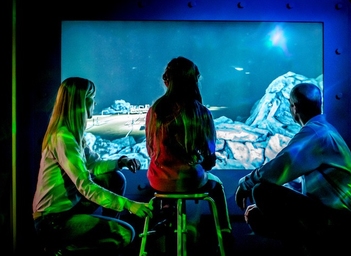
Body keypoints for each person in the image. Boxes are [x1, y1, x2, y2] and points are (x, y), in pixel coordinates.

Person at [234, 82, 351, 255]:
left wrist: (246, 183)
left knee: (262, 191)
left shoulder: (315, 134)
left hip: (336, 221)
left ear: (293, 108)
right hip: (337, 218)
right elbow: (297, 179)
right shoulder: (324, 130)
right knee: (259, 215)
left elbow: (279, 168)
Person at [32, 77, 153, 255]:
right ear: (79, 102)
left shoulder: (74, 135)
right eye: (91, 97)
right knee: (124, 234)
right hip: (53, 221)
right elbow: (85, 185)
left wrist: (121, 161)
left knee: (114, 178)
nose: (94, 102)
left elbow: (94, 165)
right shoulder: (63, 138)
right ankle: (62, 249)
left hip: (69, 209)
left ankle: (95, 232)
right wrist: (129, 205)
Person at [145, 56, 233, 251]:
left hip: (158, 180)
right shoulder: (201, 112)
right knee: (215, 185)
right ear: (194, 80)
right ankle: (225, 235)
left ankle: (168, 219)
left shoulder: (154, 111)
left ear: (167, 80)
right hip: (189, 179)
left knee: (173, 189)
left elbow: (150, 150)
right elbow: (210, 159)